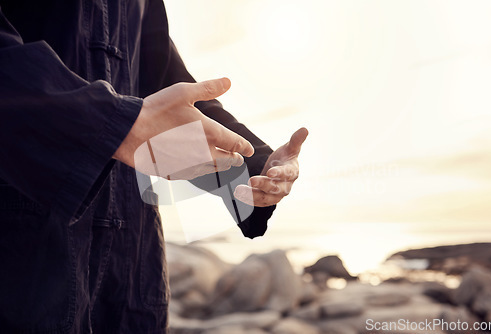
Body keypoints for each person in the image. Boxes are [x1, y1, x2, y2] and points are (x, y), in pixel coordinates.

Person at [0, 0, 308, 332]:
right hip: (27, 253)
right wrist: (110, 123)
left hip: (132, 261)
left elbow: (166, 85)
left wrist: (256, 168)